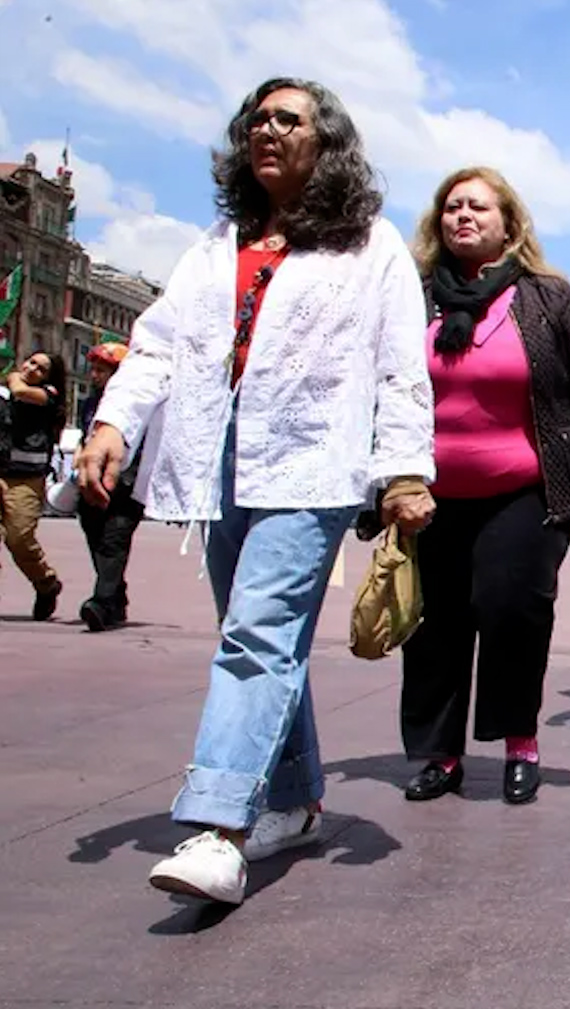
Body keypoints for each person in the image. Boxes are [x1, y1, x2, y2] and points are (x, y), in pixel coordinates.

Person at [76, 77, 436, 905]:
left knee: (256, 637)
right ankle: (295, 800)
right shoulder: (217, 242)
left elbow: (398, 367)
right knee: (260, 639)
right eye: (256, 120)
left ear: (327, 143)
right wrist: (113, 424)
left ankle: (217, 829)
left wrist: (405, 470)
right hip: (217, 460)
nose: (266, 130)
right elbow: (159, 343)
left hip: (312, 461)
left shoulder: (367, 244)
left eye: (288, 119)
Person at [396, 166, 570, 804]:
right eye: (452, 207)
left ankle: (519, 739)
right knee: (433, 622)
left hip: (525, 488)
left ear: (509, 225)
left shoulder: (549, 296)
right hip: (428, 490)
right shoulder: (412, 295)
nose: (463, 217)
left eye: (479, 208)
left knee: (509, 608)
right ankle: (439, 753)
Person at [74, 344, 145, 631]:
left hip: (128, 484)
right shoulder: (92, 403)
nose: (94, 375)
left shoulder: (140, 406)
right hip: (93, 483)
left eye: (102, 370)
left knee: (113, 540)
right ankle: (115, 596)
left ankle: (102, 603)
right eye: (93, 369)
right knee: (95, 537)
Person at [2, 349, 67, 620]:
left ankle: (46, 583)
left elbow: (20, 391)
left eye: (40, 368)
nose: (31, 369)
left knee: (19, 538)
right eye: (30, 362)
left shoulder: (48, 396)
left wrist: (14, 376)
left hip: (26, 478)